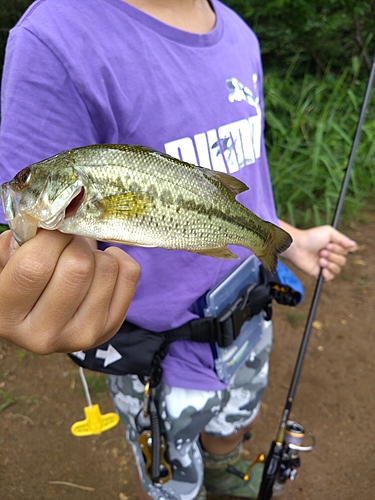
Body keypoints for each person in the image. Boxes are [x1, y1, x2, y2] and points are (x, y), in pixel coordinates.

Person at [0, 0, 356, 499]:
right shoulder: (52, 38)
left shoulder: (240, 35)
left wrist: (286, 241)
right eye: (25, 180)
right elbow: (32, 239)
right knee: (173, 476)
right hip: (157, 356)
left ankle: (228, 466)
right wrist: (32, 291)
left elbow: (234, 182)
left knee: (234, 423)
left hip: (251, 316)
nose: (19, 186)